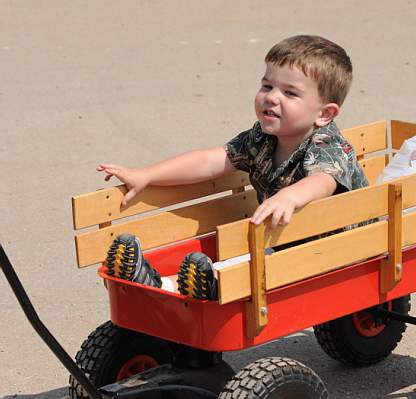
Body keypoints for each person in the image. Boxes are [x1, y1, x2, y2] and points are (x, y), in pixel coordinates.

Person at [98, 35, 369, 300]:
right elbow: (211, 161)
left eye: (290, 93)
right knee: (247, 251)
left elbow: (323, 180)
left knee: (250, 259)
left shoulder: (327, 145)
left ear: (324, 114)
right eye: (267, 86)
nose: (272, 98)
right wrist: (148, 175)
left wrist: (289, 196)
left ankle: (168, 286)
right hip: (284, 242)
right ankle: (162, 282)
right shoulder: (261, 137)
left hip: (339, 251)